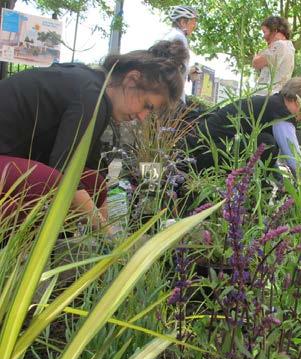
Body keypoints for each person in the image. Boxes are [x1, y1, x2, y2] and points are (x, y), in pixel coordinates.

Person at [0, 40, 188, 234]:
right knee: (49, 182)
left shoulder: (94, 89)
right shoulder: (90, 95)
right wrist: (109, 236)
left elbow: (87, 170)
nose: (142, 117)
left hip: (9, 159)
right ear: (131, 80)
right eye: (147, 106)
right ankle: (24, 253)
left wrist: (112, 224)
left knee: (93, 182)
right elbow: (65, 169)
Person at [185, 77, 301, 177]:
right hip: (204, 157)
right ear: (298, 104)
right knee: (266, 143)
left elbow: (270, 160)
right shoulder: (282, 115)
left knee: (266, 143)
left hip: (199, 151)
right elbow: (294, 159)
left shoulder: (269, 104)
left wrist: (279, 182)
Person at [163, 5, 200, 103]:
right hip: (172, 97)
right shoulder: (179, 37)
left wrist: (188, 72)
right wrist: (190, 70)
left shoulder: (170, 35)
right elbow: (173, 68)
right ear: (183, 22)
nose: (194, 26)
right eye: (193, 22)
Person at [252, 16, 295, 96]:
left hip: (266, 96)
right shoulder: (289, 47)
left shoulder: (279, 45)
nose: (264, 36)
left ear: (274, 30)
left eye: (264, 32)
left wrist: (259, 54)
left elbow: (256, 63)